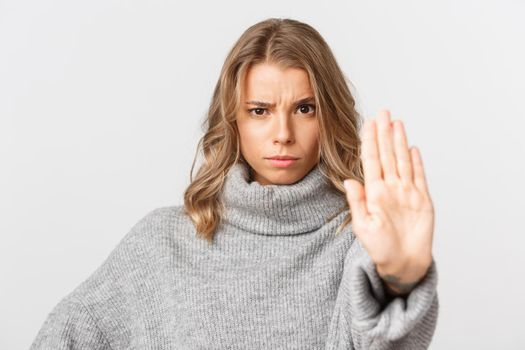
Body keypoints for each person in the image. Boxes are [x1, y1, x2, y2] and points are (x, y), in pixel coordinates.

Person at [30, 17, 438, 349]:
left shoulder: (361, 240)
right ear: (233, 120)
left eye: (304, 108)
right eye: (260, 111)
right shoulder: (163, 243)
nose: (283, 132)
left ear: (329, 116)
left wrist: (400, 280)